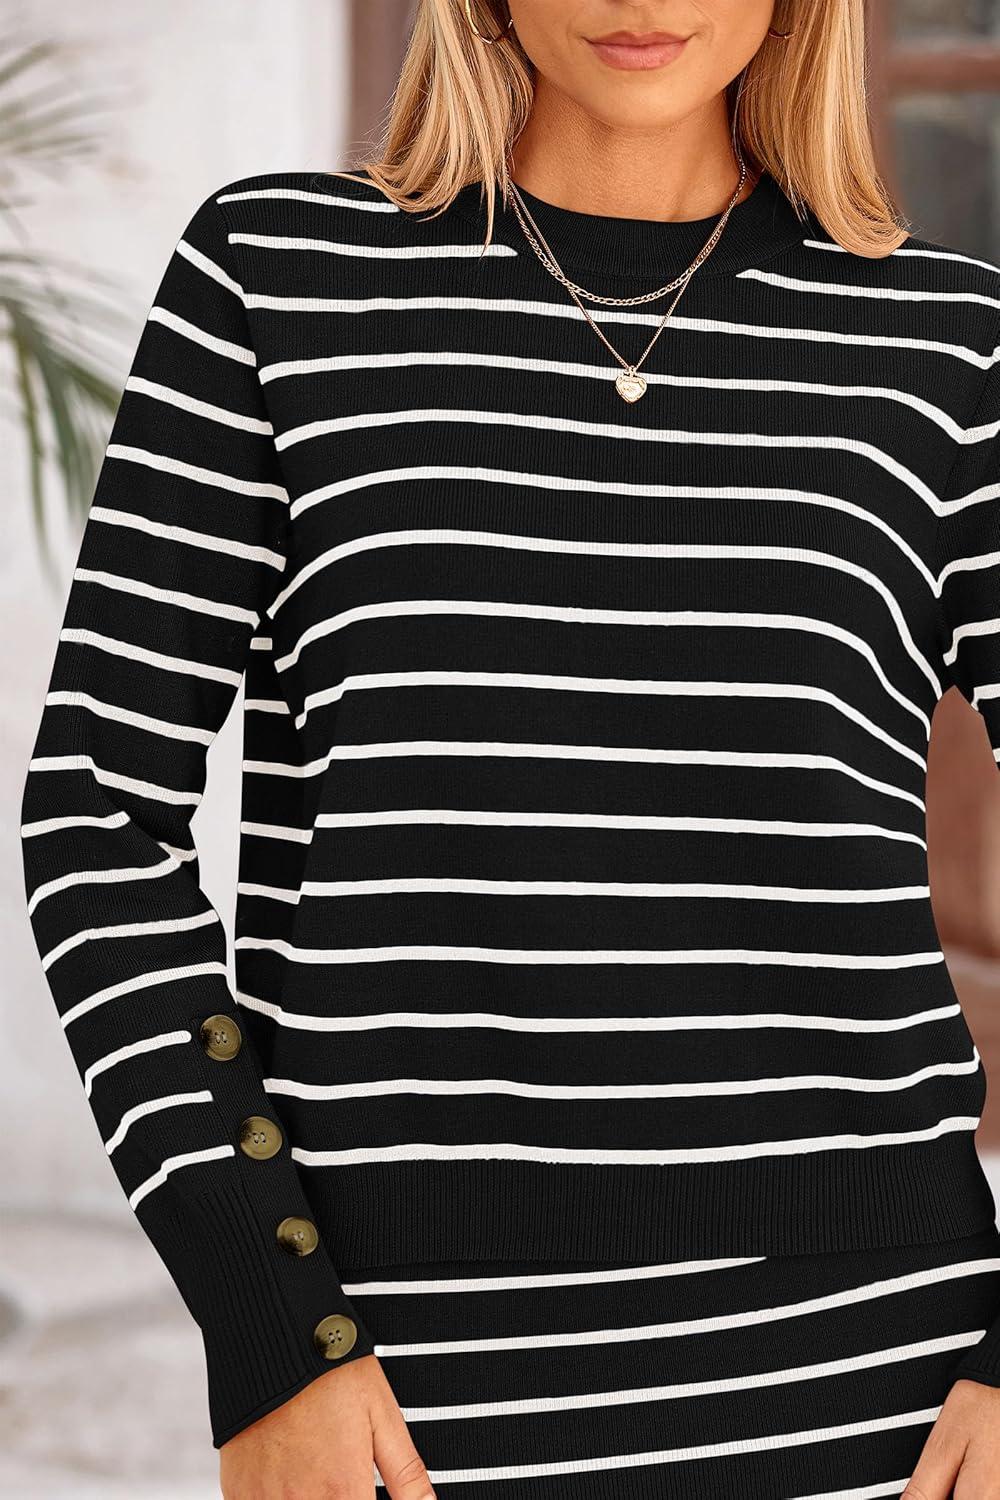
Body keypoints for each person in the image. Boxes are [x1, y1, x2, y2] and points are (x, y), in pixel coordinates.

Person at [19, 0, 1000, 1495]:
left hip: (880, 1385)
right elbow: (99, 819)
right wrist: (270, 1325)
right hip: (393, 1389)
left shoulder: (942, 343)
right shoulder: (278, 281)